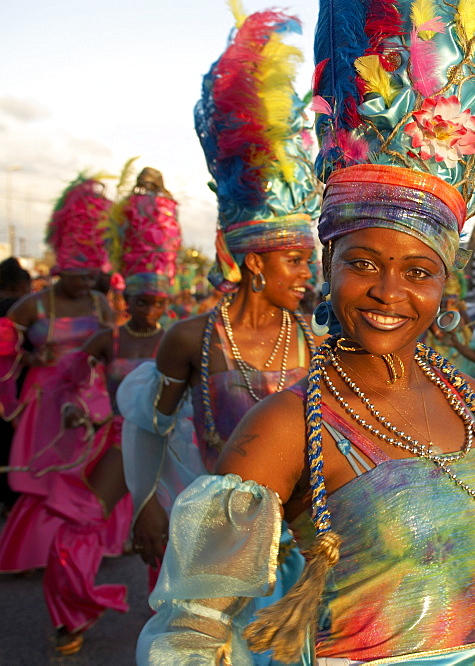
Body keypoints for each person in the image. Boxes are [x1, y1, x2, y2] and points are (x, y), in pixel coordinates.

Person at [137, 1, 475, 663]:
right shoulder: (285, 427)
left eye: (418, 271)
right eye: (364, 264)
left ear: (445, 283)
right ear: (329, 264)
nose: (388, 292)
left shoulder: (472, 398)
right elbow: (193, 631)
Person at [119, 11, 319, 652]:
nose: (309, 274)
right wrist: (145, 503)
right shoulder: (188, 338)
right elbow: (149, 427)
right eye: (295, 260)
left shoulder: (315, 342)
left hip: (295, 550)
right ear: (254, 262)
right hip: (211, 554)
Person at [36, 167, 180, 654]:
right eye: (139, 299)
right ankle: (72, 614)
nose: (147, 308)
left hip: (174, 446)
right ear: (126, 295)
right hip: (122, 441)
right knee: (74, 527)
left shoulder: (178, 338)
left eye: (156, 299)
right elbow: (67, 383)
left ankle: (176, 629)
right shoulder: (109, 338)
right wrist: (80, 408)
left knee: (176, 537)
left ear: (166, 296)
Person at [0, 176, 116, 576]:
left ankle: (79, 549)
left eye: (90, 274)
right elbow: (5, 346)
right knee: (43, 476)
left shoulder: (101, 304)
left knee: (83, 472)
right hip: (43, 401)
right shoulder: (32, 305)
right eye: (78, 274)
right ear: (60, 268)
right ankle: (33, 552)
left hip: (87, 398)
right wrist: (30, 358)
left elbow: (112, 347)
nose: (86, 282)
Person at [0, 257, 31, 514]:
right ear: (22, 284)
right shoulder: (25, 309)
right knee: (13, 443)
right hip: (17, 387)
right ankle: (12, 502)